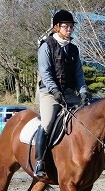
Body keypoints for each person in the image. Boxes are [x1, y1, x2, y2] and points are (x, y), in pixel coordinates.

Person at [34, 9, 90, 178]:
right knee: (48, 123)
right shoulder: (46, 46)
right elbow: (46, 72)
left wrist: (83, 91)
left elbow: (79, 74)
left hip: (69, 93)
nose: (70, 29)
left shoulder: (73, 49)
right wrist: (54, 91)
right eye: (66, 26)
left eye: (71, 26)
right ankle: (39, 162)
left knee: (86, 119)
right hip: (49, 93)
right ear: (57, 27)